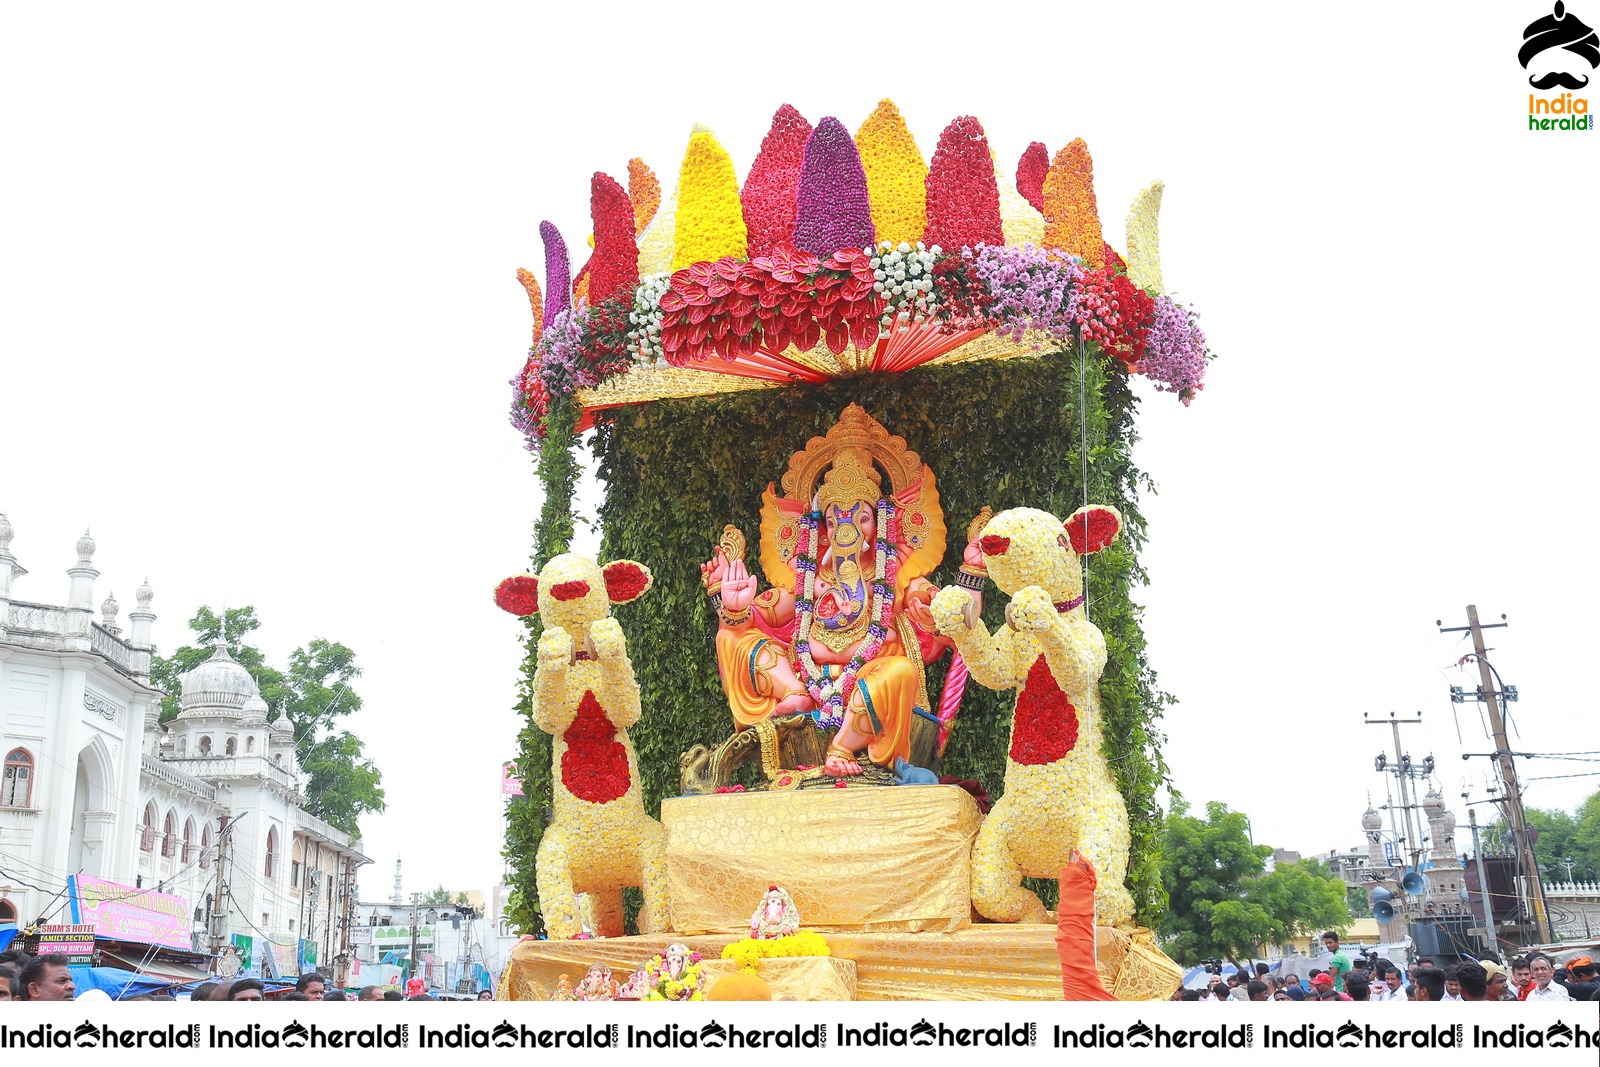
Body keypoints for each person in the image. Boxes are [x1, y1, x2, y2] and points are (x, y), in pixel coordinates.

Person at [704, 412, 953, 778]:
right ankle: (792, 694)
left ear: (881, 523)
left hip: (868, 680)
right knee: (732, 639)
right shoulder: (810, 579)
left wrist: (957, 596)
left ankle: (843, 744)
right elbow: (761, 616)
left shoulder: (894, 576)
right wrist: (730, 606)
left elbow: (944, 613)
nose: (846, 530)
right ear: (824, 528)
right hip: (809, 682)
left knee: (899, 671)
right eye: (836, 521)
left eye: (861, 519)